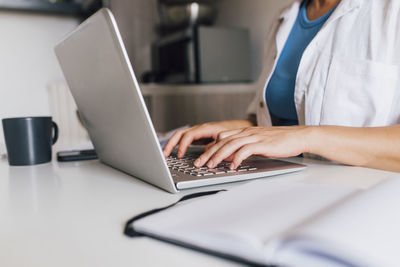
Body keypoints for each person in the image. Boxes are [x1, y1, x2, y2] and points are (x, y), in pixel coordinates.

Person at [163, 0, 400, 172]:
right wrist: (231, 131)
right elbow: (276, 122)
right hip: (289, 181)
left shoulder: (391, 11)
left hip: (363, 196)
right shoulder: (283, 19)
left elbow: (296, 134)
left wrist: (309, 137)